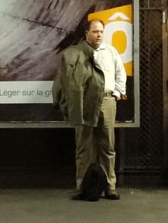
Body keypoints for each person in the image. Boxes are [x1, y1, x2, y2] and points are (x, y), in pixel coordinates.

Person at [51, 18, 126, 201]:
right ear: (87, 33)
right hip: (83, 103)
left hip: (107, 101)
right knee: (83, 147)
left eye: (101, 31)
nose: (99, 35)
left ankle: (110, 187)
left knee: (107, 146)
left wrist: (116, 94)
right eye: (95, 31)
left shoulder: (110, 52)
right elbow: (63, 80)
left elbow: (120, 74)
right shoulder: (76, 53)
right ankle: (82, 187)